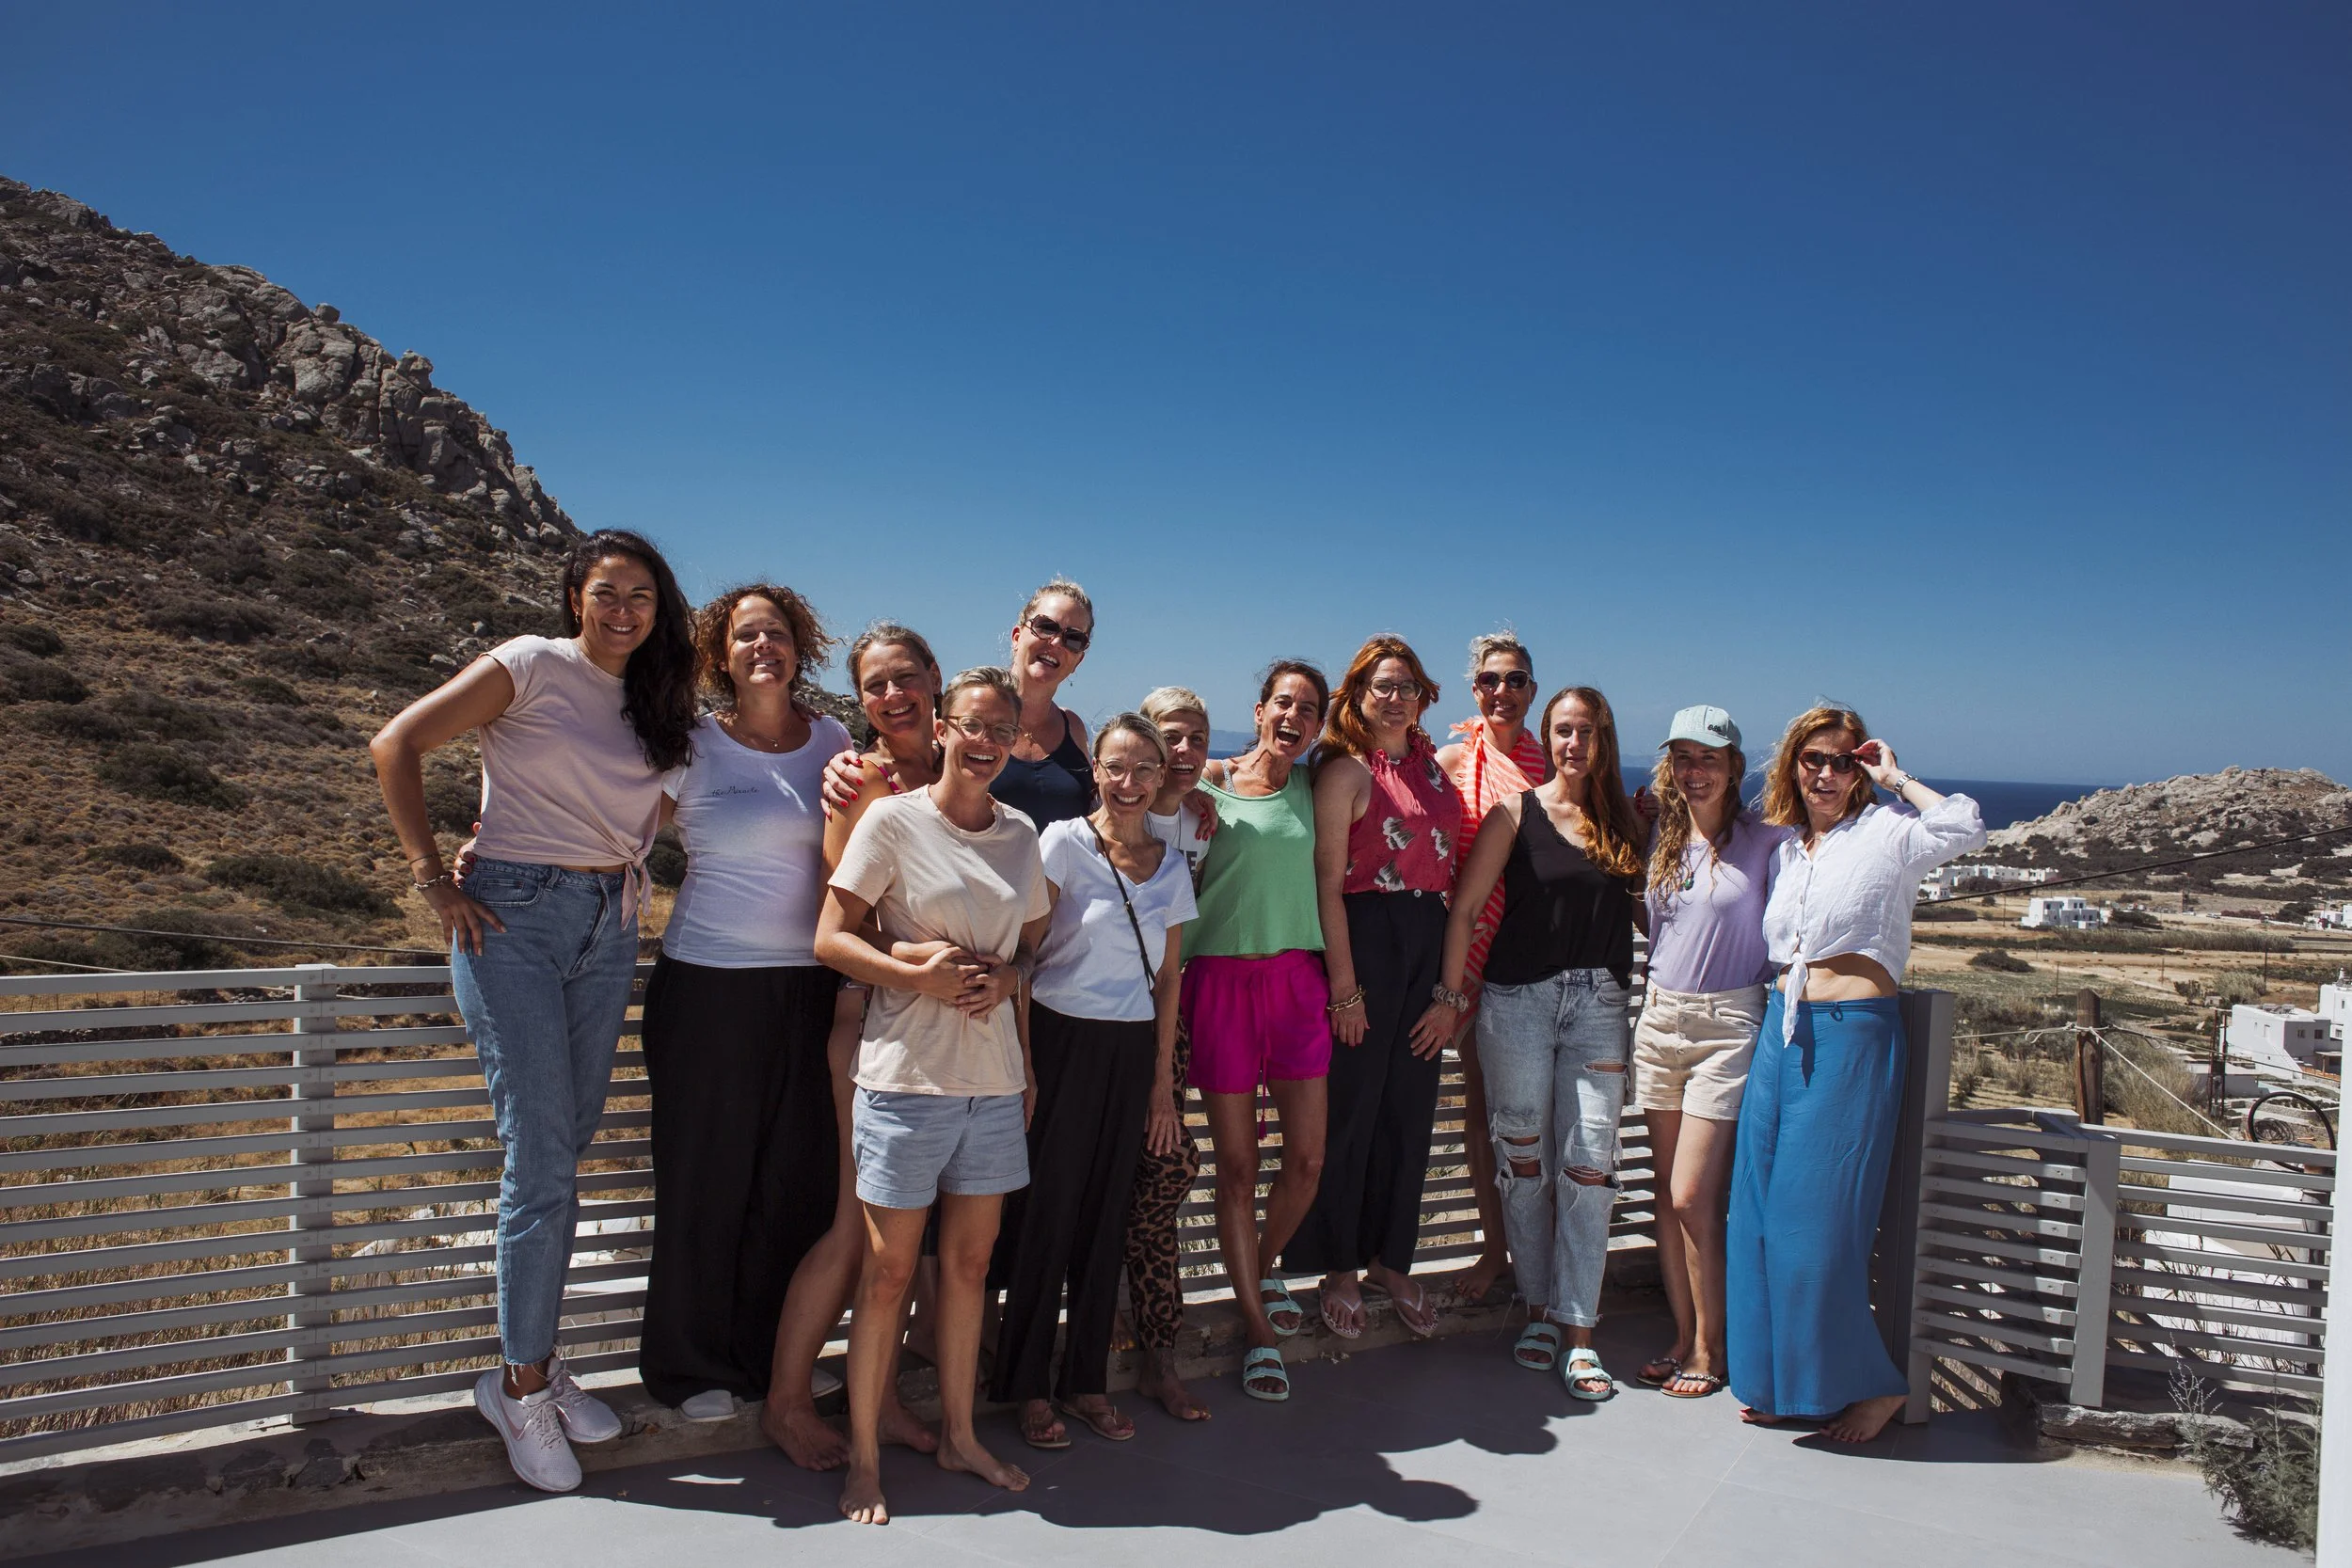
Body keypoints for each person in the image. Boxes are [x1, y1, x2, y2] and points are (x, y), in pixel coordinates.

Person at [369, 530, 695, 1492]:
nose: (623, 609)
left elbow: (661, 810)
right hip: (510, 915)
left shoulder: (658, 701)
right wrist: (434, 882)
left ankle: (538, 1362)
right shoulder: (529, 665)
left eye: (641, 594)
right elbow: (396, 743)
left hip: (611, 920)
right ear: (573, 596)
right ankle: (520, 1387)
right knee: (543, 1155)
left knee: (569, 1139)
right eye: (606, 592)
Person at [816, 666, 1053, 1525]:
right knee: (885, 1273)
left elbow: (1028, 953)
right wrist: (917, 974)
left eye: (1002, 729)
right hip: (906, 1080)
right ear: (945, 728)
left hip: (991, 1084)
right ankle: (866, 1460)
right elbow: (831, 939)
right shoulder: (892, 819)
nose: (985, 742)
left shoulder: (1022, 834)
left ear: (1015, 739)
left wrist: (1009, 985)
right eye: (972, 725)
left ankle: (959, 1434)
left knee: (969, 1266)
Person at [1729, 707, 1984, 1442]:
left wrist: (1896, 777)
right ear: (1794, 765)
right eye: (1814, 759)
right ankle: (1784, 1384)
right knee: (1756, 1221)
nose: (1827, 773)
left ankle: (1874, 1386)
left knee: (1815, 1228)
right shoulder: (1787, 850)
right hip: (1782, 1033)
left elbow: (1966, 826)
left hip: (1852, 1039)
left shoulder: (1889, 833)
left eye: (1843, 761)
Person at [637, 585, 850, 1421]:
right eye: (746, 634)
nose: (765, 645)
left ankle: (772, 1362)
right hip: (709, 988)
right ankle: (690, 1370)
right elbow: (620, 831)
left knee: (793, 1184)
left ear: (802, 646)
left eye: (779, 633)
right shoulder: (690, 744)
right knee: (703, 1178)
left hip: (811, 988)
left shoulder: (831, 738)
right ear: (719, 654)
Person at [1411, 686, 1647, 1401]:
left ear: (1605, 738)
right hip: (1514, 1003)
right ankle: (1539, 1305)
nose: (1575, 743)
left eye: (1588, 731)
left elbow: (1658, 906)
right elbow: (1464, 913)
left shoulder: (1625, 824)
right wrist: (1453, 998)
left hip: (1599, 1006)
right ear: (1550, 738)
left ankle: (1579, 1329)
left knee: (1590, 1164)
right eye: (1563, 731)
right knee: (1523, 1158)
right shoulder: (1516, 813)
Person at [763, 624, 946, 1469]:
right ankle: (787, 1402)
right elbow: (848, 922)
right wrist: (928, 961)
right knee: (855, 1230)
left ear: (934, 678)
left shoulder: (967, 760)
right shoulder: (862, 781)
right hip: (871, 1025)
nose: (891, 696)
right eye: (874, 686)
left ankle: (880, 1398)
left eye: (904, 678)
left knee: (907, 1239)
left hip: (950, 1035)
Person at [990, 714, 1198, 1447]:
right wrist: (1025, 1066)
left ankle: (1084, 1382)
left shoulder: (1172, 866)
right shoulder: (1064, 844)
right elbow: (1025, 955)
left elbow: (1169, 979)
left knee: (1107, 1215)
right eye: (1116, 766)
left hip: (1130, 1049)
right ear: (1097, 771)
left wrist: (1161, 1088)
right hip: (1060, 1038)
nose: (1131, 782)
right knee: (1047, 1213)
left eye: (1146, 768)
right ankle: (1026, 1387)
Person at [1287, 637, 1461, 1339]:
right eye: (1382, 686)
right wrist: (1345, 989)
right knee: (1352, 1113)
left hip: (1426, 940)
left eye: (1407, 685)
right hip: (1365, 938)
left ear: (1424, 694)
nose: (1395, 697)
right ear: (1357, 696)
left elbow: (1453, 875)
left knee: (1409, 1111)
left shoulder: (1436, 769)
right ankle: (1338, 1265)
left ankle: (1394, 1259)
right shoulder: (1346, 771)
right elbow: (1327, 883)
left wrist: (1450, 991)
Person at [1184, 660, 1334, 1402]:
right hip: (1216, 983)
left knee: (1306, 1160)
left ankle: (1261, 1266)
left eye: (1309, 708)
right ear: (1260, 708)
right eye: (1283, 702)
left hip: (1297, 985)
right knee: (1237, 1168)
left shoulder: (1317, 782)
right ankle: (1256, 1323)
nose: (1293, 717)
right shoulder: (1202, 783)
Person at [1629, 705, 1789, 1401]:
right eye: (1683, 758)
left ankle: (1711, 1345)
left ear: (1734, 766)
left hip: (1730, 1022)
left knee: (1695, 1194)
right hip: (1660, 1017)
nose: (1695, 770)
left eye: (1709, 758)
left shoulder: (1769, 843)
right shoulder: (1662, 838)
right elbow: (1659, 929)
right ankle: (1683, 1332)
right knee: (1667, 1197)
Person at [1431, 632, 1549, 1306]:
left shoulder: (1557, 763)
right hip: (1469, 955)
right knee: (1480, 1114)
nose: (1501, 691)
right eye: (1488, 680)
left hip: (1536, 957)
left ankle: (1544, 1248)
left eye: (1515, 679)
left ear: (1532, 689)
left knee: (1535, 1117)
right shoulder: (1452, 761)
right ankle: (1493, 1244)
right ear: (1473, 689)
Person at [1117, 685, 1217, 1423]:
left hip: (1167, 1020)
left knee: (1161, 1170)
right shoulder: (1113, 817)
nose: (1183, 754)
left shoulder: (1199, 817)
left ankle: (1159, 1350)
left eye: (1195, 740)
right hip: (1093, 1017)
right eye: (1169, 740)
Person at [991, 578, 1097, 828]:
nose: (1057, 643)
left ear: (1078, 661)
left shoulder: (1073, 727)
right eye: (1046, 627)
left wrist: (1185, 793)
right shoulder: (971, 714)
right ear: (1017, 637)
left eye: (1073, 639)